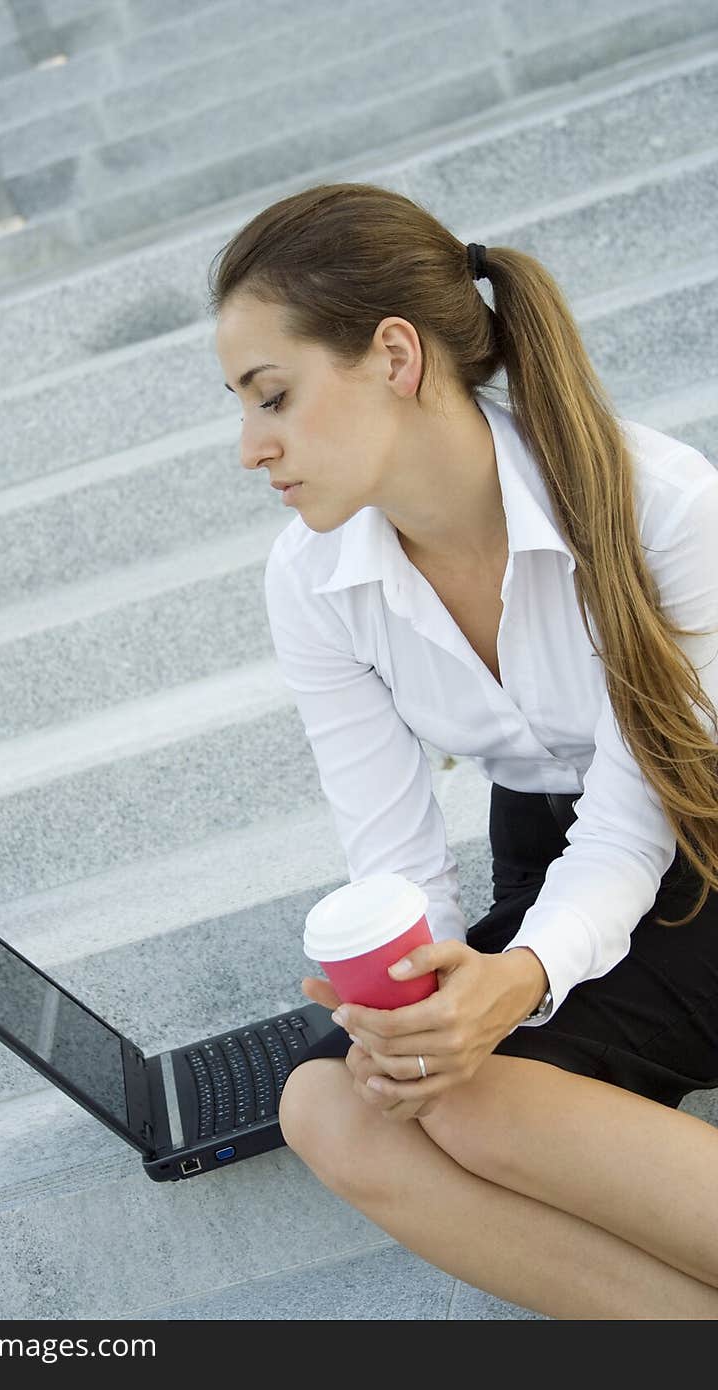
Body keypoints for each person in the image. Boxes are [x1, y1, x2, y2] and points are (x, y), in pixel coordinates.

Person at [210, 181, 718, 1320]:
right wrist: (417, 1002)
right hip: (553, 850)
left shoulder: (660, 506)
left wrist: (521, 979)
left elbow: (642, 821)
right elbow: (393, 859)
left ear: (394, 355)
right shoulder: (311, 578)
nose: (250, 449)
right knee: (334, 1105)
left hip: (701, 837)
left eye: (272, 396)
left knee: (472, 1099)